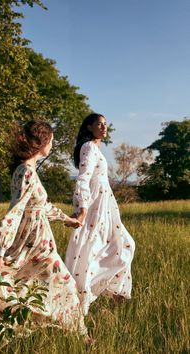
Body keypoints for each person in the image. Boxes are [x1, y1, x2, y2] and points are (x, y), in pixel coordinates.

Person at [0, 120, 87, 351]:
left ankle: (69, 332)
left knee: (36, 285)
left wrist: (68, 219)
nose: (53, 144)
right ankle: (81, 336)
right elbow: (15, 211)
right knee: (63, 284)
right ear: (42, 141)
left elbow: (42, 206)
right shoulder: (25, 171)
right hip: (33, 243)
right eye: (52, 140)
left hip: (40, 242)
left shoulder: (29, 171)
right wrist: (0, 251)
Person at [65, 113, 135, 315]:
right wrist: (82, 209)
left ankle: (115, 298)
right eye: (99, 124)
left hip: (106, 206)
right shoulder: (88, 147)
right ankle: (82, 303)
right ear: (89, 127)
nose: (104, 128)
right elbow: (83, 179)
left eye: (106, 124)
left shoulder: (95, 149)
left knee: (124, 247)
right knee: (91, 251)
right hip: (95, 207)